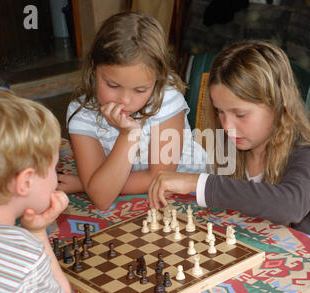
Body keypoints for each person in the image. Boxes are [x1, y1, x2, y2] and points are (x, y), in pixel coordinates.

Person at [148, 40, 310, 245]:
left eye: (240, 114)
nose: (227, 126)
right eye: (220, 112)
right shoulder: (233, 147)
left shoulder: (308, 154)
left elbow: (289, 206)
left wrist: (197, 182)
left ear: (279, 104)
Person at [59, 12, 206, 210]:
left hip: (191, 195)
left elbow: (160, 178)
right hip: (140, 201)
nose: (125, 100)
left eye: (140, 90)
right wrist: (128, 135)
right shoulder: (82, 113)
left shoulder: (166, 99)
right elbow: (102, 198)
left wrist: (87, 184)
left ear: (158, 79)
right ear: (94, 67)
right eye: (112, 84)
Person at [0, 89, 72, 293]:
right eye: (54, 168)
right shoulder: (25, 256)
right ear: (26, 181)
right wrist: (38, 234)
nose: (55, 179)